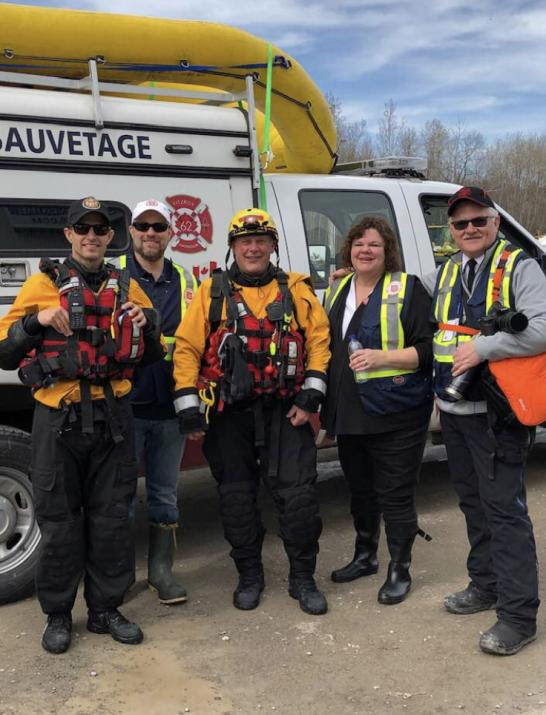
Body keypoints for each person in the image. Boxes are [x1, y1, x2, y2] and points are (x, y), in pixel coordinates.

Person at [0, 197, 164, 654]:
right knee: (58, 521)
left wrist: (144, 326)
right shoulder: (41, 284)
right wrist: (36, 321)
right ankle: (57, 613)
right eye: (82, 228)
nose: (92, 236)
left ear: (111, 237)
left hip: (113, 418)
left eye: (100, 229)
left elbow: (152, 355)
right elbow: (4, 352)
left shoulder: (128, 286)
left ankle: (105, 609)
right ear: (68, 235)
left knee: (112, 518)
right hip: (59, 418)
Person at [172, 208, 331, 615]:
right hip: (230, 414)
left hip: (286, 411)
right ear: (234, 248)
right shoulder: (211, 293)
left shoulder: (296, 290)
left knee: (298, 500)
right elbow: (188, 348)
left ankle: (302, 577)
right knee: (237, 499)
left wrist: (309, 396)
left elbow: (318, 344)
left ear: (273, 246)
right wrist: (189, 406)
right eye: (245, 241)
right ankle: (249, 575)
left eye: (261, 240)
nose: (254, 247)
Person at [424, 186, 546, 655]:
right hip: (454, 411)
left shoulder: (521, 266)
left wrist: (485, 346)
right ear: (451, 231)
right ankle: (485, 584)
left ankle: (518, 617)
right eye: (461, 223)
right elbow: (427, 319)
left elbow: (541, 328)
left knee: (504, 511)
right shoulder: (449, 270)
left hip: (500, 414)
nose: (470, 229)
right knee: (474, 505)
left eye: (479, 221)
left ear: (496, 223)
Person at [322, 216, 433, 605]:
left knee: (396, 495)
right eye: (358, 244)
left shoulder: (408, 289)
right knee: (361, 492)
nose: (365, 250)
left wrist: (382, 357)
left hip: (397, 413)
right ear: (348, 250)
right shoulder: (337, 289)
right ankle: (365, 555)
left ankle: (400, 568)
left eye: (374, 245)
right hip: (351, 412)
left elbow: (427, 351)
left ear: (388, 253)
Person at [121, 199, 197, 605]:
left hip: (170, 406)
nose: (150, 233)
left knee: (165, 493)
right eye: (142, 226)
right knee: (120, 496)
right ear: (131, 231)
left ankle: (161, 573)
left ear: (171, 233)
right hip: (123, 406)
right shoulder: (114, 276)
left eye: (158, 226)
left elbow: (193, 340)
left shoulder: (186, 280)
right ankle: (119, 577)